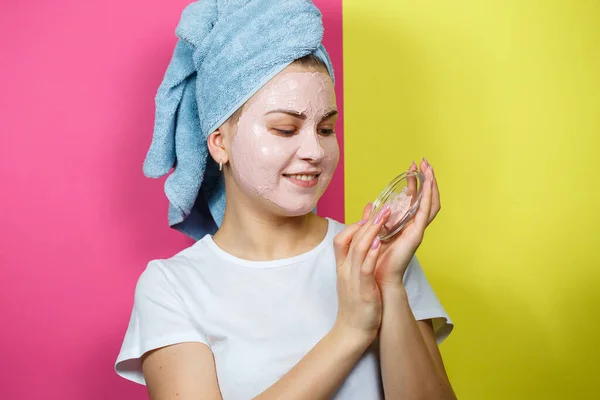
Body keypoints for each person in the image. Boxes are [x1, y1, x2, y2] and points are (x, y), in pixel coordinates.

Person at [115, 1, 455, 399]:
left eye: (326, 129)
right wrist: (351, 330)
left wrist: (390, 284)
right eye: (285, 129)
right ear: (219, 142)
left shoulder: (374, 257)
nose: (314, 150)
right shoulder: (174, 287)